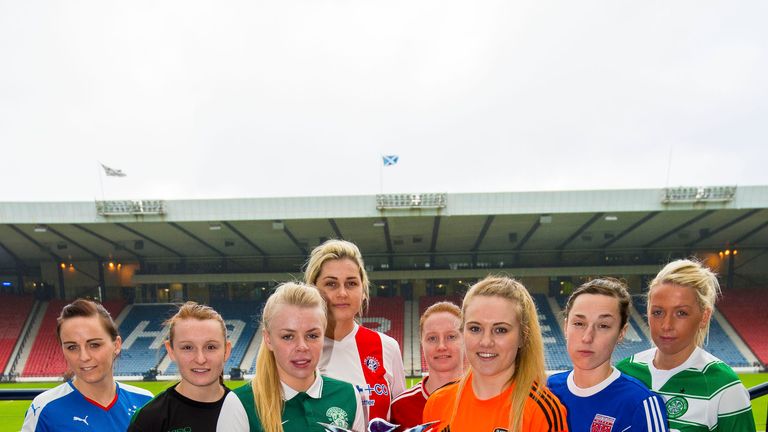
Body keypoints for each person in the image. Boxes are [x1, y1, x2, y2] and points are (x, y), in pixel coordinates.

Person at [616, 259, 755, 432]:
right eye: (657, 312)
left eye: (681, 313)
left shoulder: (723, 386)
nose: (666, 325)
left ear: (704, 317)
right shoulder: (625, 371)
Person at [422, 276, 568, 432]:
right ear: (462, 331)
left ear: (522, 337)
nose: (486, 342)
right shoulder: (437, 403)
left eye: (500, 330)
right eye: (475, 328)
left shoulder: (541, 411)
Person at [219, 282, 365, 432]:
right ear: (268, 339)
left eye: (312, 335)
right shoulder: (240, 403)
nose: (302, 346)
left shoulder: (349, 396)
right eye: (288, 336)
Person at [547, 278, 668, 432]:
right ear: (565, 327)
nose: (587, 337)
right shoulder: (548, 390)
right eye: (579, 323)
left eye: (603, 326)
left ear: (621, 333)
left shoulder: (640, 403)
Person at [304, 239, 406, 421]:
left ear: (363, 291)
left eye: (351, 283)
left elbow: (401, 421)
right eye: (331, 284)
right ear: (313, 290)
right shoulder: (300, 351)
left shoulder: (387, 347)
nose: (342, 293)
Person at [22, 299, 153, 431]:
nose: (84, 357)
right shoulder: (45, 409)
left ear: (116, 345)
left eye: (94, 345)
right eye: (72, 347)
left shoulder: (145, 402)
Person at [128, 301, 240, 431]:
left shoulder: (247, 411)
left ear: (226, 351)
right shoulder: (149, 418)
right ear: (171, 351)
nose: (200, 359)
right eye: (187, 347)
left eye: (211, 347)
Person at [390, 301, 465, 431]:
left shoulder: (488, 397)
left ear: (465, 339)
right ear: (421, 343)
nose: (441, 346)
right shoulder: (399, 408)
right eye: (432, 338)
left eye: (451, 337)